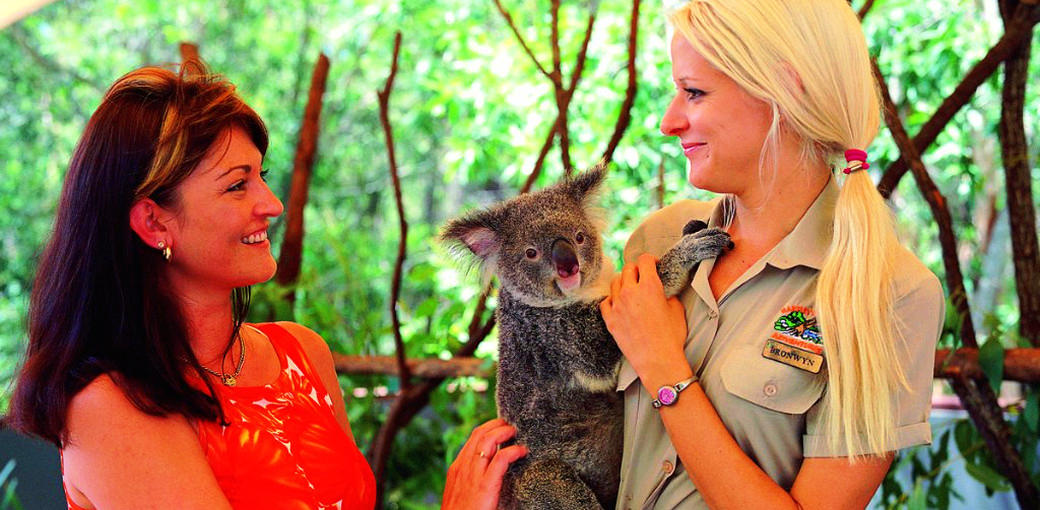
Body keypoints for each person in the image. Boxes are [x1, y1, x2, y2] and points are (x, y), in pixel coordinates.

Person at [6, 61, 524, 509]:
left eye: (261, 175)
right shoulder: (113, 404)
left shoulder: (301, 354)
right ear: (154, 223)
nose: (271, 203)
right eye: (237, 185)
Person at [599, 0, 945, 508]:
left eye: (694, 92)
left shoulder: (891, 292)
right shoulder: (659, 239)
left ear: (783, 90)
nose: (668, 122)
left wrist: (663, 368)